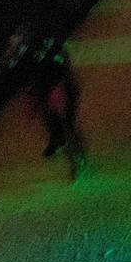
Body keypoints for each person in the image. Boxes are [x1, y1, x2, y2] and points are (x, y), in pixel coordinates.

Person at [30, 38, 85, 180]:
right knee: (62, 131)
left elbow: (65, 68)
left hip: (59, 91)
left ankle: (77, 160)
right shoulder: (40, 51)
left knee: (67, 129)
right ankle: (76, 157)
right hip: (51, 92)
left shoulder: (52, 48)